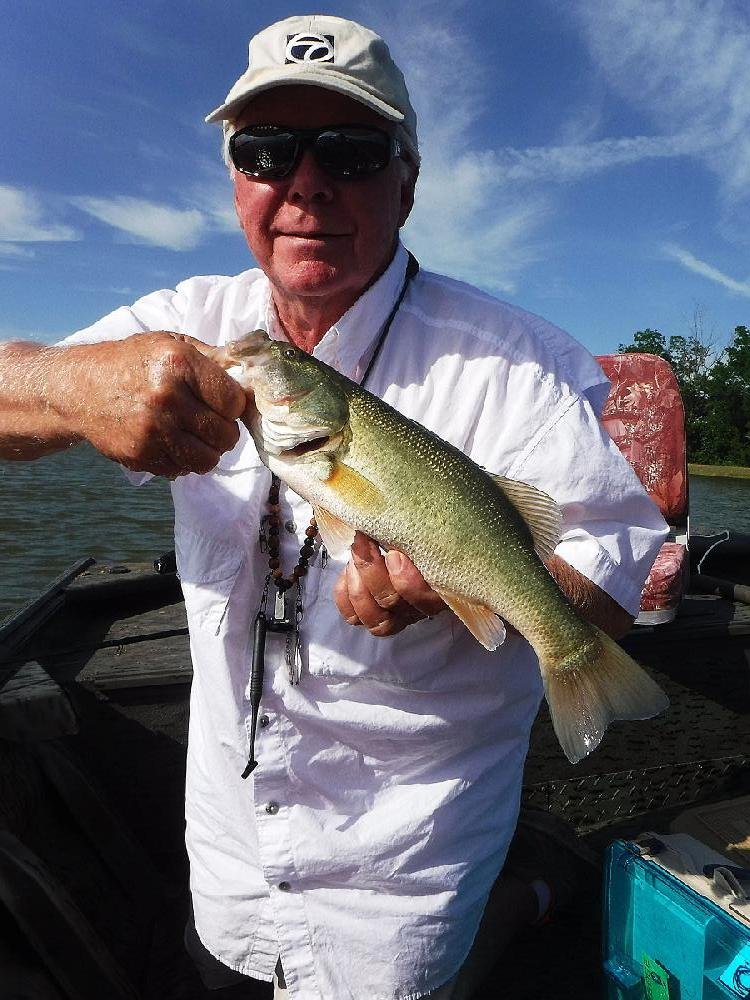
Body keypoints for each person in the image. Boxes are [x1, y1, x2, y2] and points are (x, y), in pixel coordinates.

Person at [0, 15, 667, 999]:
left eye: (350, 151)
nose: (304, 183)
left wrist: (451, 583)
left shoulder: (521, 363)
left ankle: (528, 892)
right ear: (236, 180)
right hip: (225, 866)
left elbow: (611, 559)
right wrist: (73, 385)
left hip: (398, 892)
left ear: (408, 181)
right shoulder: (196, 324)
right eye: (265, 151)